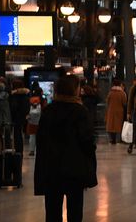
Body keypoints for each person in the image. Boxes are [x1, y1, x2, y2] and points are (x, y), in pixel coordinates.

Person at [34, 74, 97, 222]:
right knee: (75, 210)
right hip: (75, 169)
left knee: (52, 211)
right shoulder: (80, 112)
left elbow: (41, 140)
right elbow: (87, 141)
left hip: (51, 169)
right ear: (74, 90)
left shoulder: (48, 111)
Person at [9, 79, 30, 153]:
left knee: (16, 134)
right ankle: (20, 150)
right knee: (19, 134)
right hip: (23, 117)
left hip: (16, 117)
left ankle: (18, 150)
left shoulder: (15, 96)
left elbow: (13, 107)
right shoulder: (25, 95)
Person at [105, 79, 127, 144]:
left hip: (111, 111)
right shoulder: (122, 93)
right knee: (118, 126)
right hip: (119, 112)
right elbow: (124, 103)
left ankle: (112, 139)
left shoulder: (110, 93)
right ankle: (118, 140)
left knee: (111, 126)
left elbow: (107, 101)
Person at [0, 77, 12, 149]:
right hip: (7, 119)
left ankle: (0, 156)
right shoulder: (6, 96)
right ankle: (7, 156)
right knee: (6, 139)